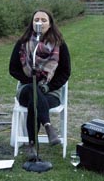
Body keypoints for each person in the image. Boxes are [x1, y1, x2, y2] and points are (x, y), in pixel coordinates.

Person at [9, 9, 71, 159]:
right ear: (32, 23)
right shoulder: (23, 43)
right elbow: (13, 69)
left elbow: (65, 72)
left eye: (44, 20)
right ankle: (48, 127)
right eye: (36, 19)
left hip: (50, 92)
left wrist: (48, 86)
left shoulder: (59, 45)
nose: (40, 23)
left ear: (50, 24)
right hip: (26, 88)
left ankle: (31, 145)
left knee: (34, 102)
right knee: (32, 91)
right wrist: (32, 81)